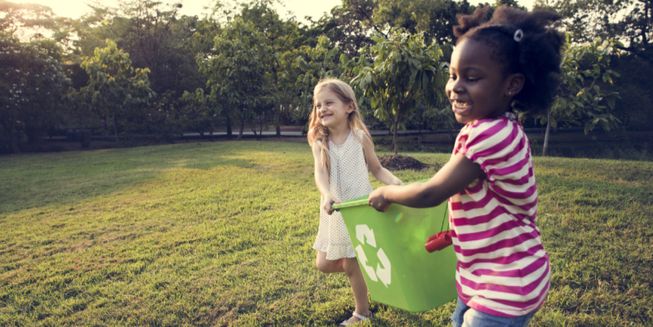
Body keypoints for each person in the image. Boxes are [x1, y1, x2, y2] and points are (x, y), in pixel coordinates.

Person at [367, 5, 564, 327]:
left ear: (511, 85)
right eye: (453, 75)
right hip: (483, 271)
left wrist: (387, 192)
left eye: (472, 78)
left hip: (508, 280)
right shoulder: (495, 127)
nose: (456, 87)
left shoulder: (491, 134)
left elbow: (432, 192)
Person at [308, 78, 402, 325]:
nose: (322, 109)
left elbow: (378, 169)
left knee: (350, 263)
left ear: (349, 106)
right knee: (324, 263)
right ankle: (365, 269)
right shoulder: (319, 140)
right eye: (318, 105)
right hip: (334, 209)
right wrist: (327, 194)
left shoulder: (360, 137)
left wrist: (397, 184)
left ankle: (361, 313)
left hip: (359, 208)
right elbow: (320, 173)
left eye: (329, 103)